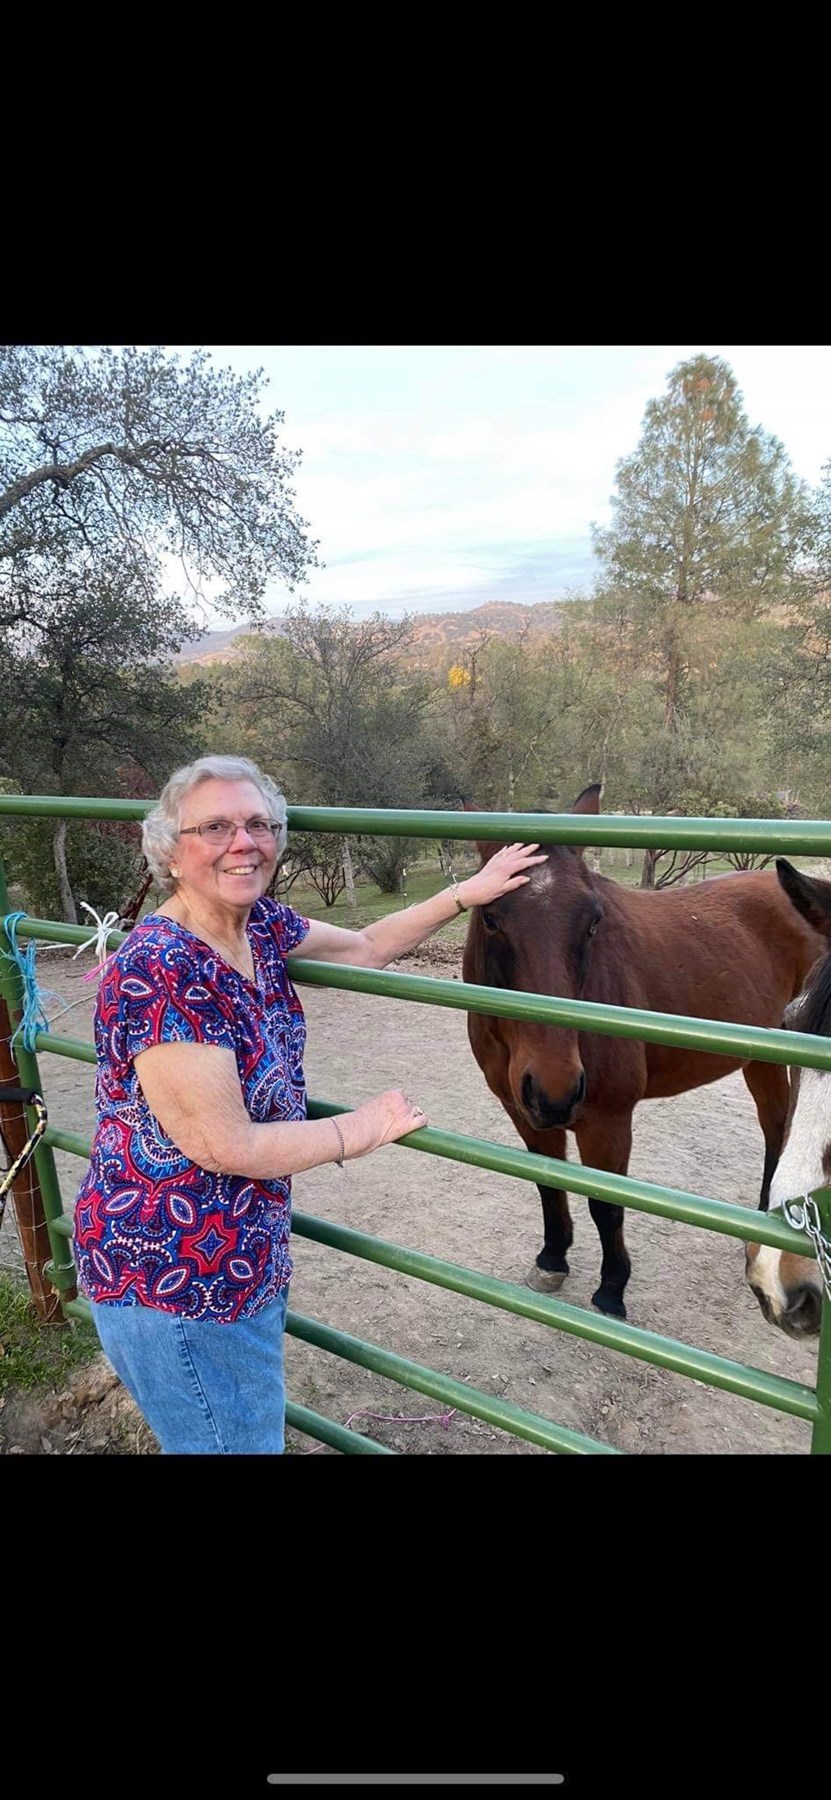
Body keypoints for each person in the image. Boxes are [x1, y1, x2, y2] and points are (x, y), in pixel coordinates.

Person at [72, 754, 546, 1454]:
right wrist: (362, 1128)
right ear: (171, 852)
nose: (245, 842)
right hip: (172, 1277)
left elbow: (363, 946)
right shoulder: (163, 968)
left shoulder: (256, 925)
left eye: (259, 824)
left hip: (232, 1257)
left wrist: (464, 894)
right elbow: (226, 1146)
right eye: (216, 827)